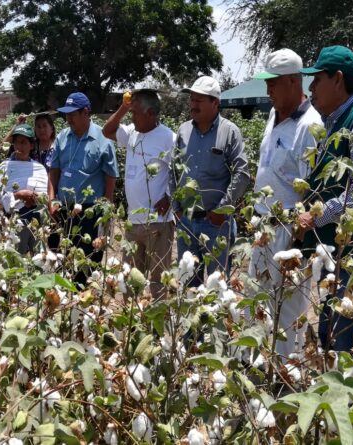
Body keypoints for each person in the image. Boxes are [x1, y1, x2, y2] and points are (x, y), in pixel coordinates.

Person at [296, 45, 353, 352]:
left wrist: (319, 213)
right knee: (334, 329)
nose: (311, 88)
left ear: (337, 79)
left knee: (345, 335)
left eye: (317, 79)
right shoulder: (335, 122)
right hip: (339, 251)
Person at [250, 49, 323, 359]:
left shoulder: (310, 126)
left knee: (288, 307)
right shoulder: (272, 115)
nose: (268, 91)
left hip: (287, 231)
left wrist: (297, 240)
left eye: (274, 84)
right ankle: (259, 365)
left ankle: (283, 374)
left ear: (294, 82)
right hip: (263, 225)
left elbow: (311, 191)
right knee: (258, 299)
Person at [166, 75, 250, 287]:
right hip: (186, 220)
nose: (193, 105)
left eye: (199, 100)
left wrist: (221, 211)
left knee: (217, 288)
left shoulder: (229, 131)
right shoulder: (183, 130)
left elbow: (242, 173)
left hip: (216, 224)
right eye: (192, 99)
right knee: (187, 285)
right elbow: (172, 169)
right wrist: (176, 207)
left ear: (215, 103)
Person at [102, 89, 176, 300]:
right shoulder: (132, 133)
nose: (132, 118)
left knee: (158, 281)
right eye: (131, 113)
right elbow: (107, 131)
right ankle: (133, 329)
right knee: (130, 280)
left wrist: (169, 197)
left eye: (135, 113)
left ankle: (157, 330)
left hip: (158, 222)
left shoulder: (168, 138)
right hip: (133, 222)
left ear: (151, 113)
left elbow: (180, 171)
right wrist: (124, 108)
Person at [48, 92, 118, 285]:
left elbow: (110, 176)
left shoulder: (102, 139)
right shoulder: (63, 137)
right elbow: (53, 171)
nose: (68, 118)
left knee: (87, 263)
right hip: (62, 209)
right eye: (66, 114)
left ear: (86, 112)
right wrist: (52, 199)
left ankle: (83, 305)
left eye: (72, 114)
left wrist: (106, 208)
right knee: (60, 260)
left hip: (90, 212)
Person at [0, 124, 49, 254]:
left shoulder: (39, 168)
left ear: (31, 145)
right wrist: (19, 195)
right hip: (15, 220)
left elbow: (45, 195)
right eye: (17, 142)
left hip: (37, 220)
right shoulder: (4, 167)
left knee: (39, 259)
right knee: (15, 257)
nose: (20, 146)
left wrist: (35, 199)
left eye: (24, 142)